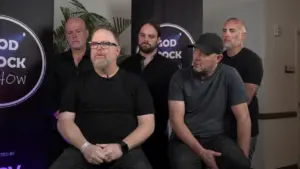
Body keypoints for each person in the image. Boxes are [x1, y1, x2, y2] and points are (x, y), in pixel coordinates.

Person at [50, 25, 155, 169]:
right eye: (94, 44)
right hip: (82, 151)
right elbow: (64, 121)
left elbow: (147, 124)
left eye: (105, 44)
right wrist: (85, 147)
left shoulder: (135, 83)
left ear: (117, 51)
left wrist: (121, 147)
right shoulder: (76, 83)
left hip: (125, 153)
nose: (98, 48)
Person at [168, 33, 251, 169]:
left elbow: (243, 117)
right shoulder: (179, 77)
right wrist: (202, 152)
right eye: (196, 51)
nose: (197, 58)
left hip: (217, 137)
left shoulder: (230, 75)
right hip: (185, 139)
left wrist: (243, 157)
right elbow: (176, 121)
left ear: (218, 58)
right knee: (183, 164)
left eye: (205, 54)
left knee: (240, 164)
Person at [120, 21, 178, 169]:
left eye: (151, 36)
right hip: (127, 131)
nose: (146, 39)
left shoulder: (170, 67)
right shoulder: (125, 65)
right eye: (143, 35)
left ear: (158, 40)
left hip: (157, 133)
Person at [45, 17, 93, 166]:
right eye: (70, 32)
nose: (74, 35)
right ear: (66, 36)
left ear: (86, 34)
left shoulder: (97, 60)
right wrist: (60, 116)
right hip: (60, 131)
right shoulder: (56, 62)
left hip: (91, 129)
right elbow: (47, 95)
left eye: (78, 31)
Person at [221, 17, 263, 163]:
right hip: (220, 130)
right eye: (224, 30)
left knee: (240, 165)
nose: (226, 34)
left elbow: (245, 98)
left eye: (232, 31)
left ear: (242, 36)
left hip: (244, 129)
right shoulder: (219, 59)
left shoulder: (252, 60)